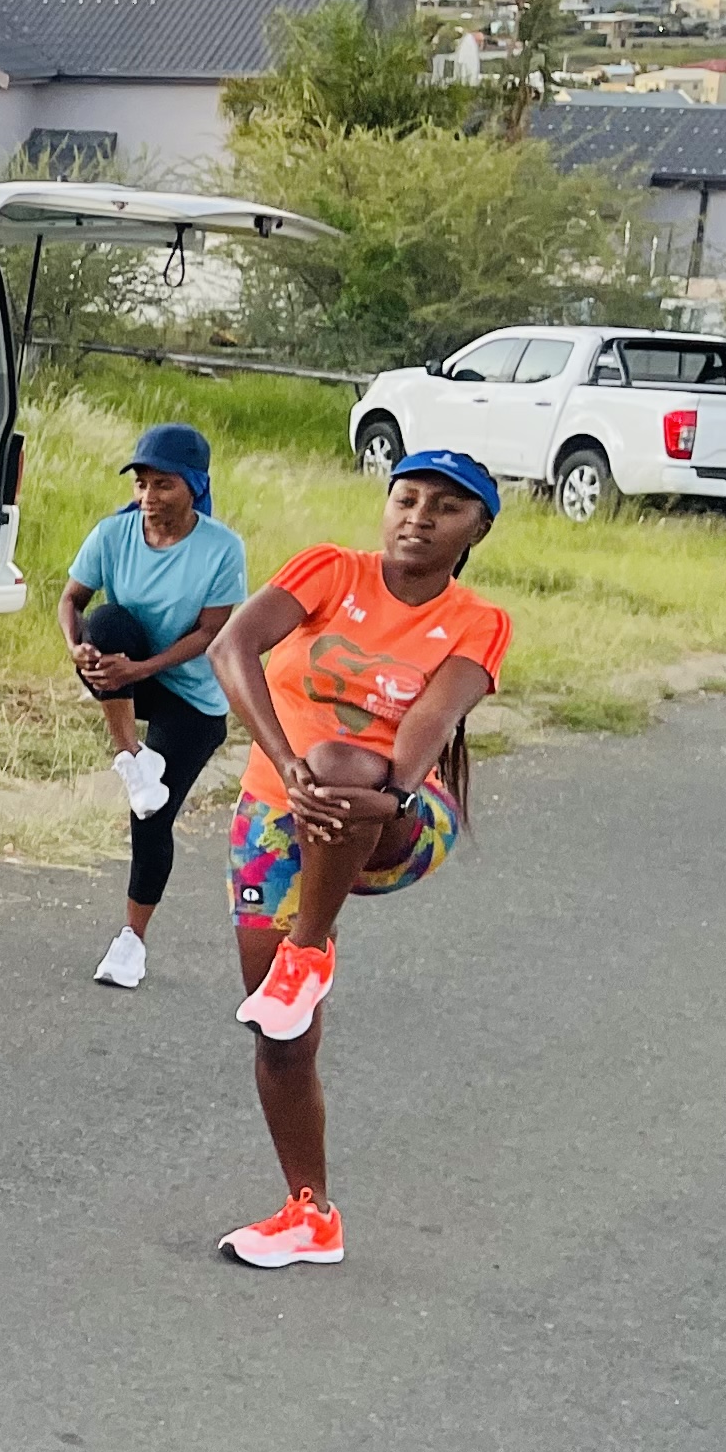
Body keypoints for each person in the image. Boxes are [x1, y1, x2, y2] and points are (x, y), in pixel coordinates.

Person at [200, 452, 510, 1270]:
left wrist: (396, 796)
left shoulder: (479, 621)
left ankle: (310, 947)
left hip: (396, 821)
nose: (418, 516)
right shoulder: (330, 572)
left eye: (446, 508)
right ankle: (311, 1214)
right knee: (281, 1037)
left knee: (342, 764)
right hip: (278, 811)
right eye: (406, 498)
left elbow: (429, 725)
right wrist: (285, 765)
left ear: (476, 529)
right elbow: (232, 648)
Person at [59, 422, 248, 992]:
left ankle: (131, 942)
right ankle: (131, 757)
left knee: (152, 817)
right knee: (107, 621)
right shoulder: (114, 533)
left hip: (191, 695)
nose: (148, 497)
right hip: (125, 670)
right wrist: (78, 649)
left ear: (193, 486)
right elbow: (72, 600)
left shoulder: (221, 547)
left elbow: (213, 633)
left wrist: (138, 671)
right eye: (141, 483)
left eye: (162, 484)